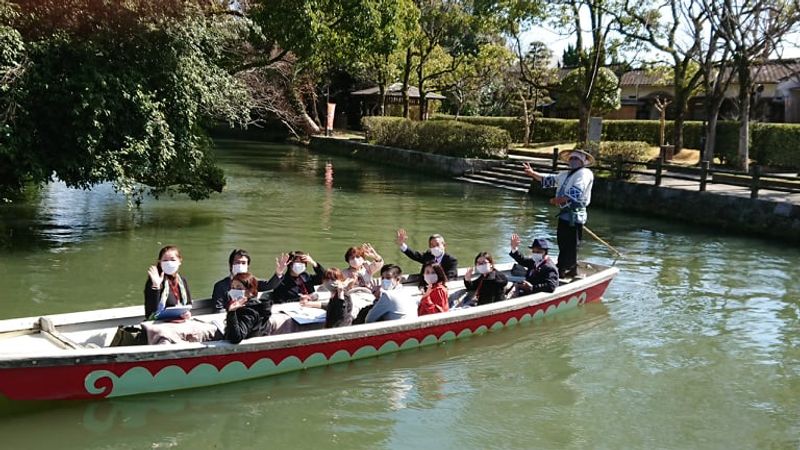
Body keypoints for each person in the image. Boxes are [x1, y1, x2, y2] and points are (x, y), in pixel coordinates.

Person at [523, 149, 595, 278]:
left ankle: (569, 269)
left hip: (575, 215)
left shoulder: (584, 173)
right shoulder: (565, 174)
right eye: (571, 158)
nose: (573, 161)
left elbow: (576, 191)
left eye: (576, 159)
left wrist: (558, 200)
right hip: (564, 214)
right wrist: (532, 173)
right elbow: (548, 180)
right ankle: (562, 266)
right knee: (562, 242)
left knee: (571, 244)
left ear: (583, 161)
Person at [211, 249, 289, 313]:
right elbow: (218, 309)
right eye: (237, 262)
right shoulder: (220, 286)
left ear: (248, 266)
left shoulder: (251, 281)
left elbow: (269, 285)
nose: (240, 265)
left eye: (243, 263)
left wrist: (279, 273)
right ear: (230, 265)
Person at [143, 245, 192, 320]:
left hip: (179, 321)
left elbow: (188, 304)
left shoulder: (182, 280)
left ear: (179, 261)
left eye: (173, 260)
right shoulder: (153, 280)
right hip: (158, 324)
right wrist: (156, 286)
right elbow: (151, 312)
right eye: (165, 260)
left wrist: (187, 313)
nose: (169, 263)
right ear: (160, 262)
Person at [224, 272, 272, 344]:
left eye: (239, 288)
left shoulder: (250, 311)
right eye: (233, 287)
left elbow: (236, 338)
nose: (234, 291)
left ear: (250, 291)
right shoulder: (255, 306)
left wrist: (232, 312)